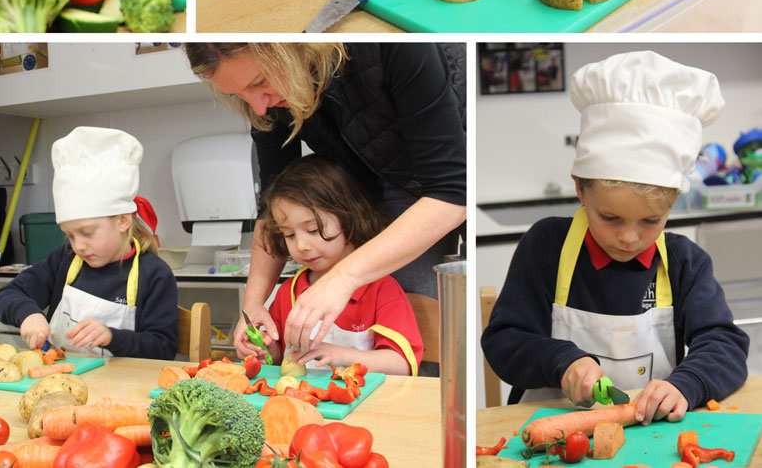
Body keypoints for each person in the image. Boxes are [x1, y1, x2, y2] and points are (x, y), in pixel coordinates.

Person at [481, 51, 749, 423]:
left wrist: (687, 384)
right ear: (580, 189)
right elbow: (504, 341)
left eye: (650, 221)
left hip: (648, 436)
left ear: (671, 207)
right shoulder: (547, 246)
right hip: (547, 430)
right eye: (610, 217)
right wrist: (562, 362)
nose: (628, 237)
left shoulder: (684, 262)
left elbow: (725, 344)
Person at [184, 42, 465, 370]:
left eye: (259, 82)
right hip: (370, 178)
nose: (259, 109)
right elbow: (271, 204)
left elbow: (451, 192)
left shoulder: (394, 50)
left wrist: (343, 278)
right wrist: (253, 303)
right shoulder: (270, 99)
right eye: (238, 95)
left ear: (289, 49)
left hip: (445, 178)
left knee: (425, 315)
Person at [0, 127, 178, 359]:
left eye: (87, 233)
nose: (78, 245)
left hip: (124, 390)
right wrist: (29, 314)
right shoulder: (65, 259)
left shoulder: (154, 274)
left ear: (122, 220)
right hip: (60, 383)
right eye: (69, 235)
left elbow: (163, 347)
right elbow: (5, 296)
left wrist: (113, 337)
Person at [249, 155, 424, 376]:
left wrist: (341, 356)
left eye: (313, 230)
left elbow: (402, 365)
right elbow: (277, 358)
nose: (301, 245)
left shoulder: (382, 290)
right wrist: (264, 348)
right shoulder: (288, 293)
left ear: (349, 219)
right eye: (289, 235)